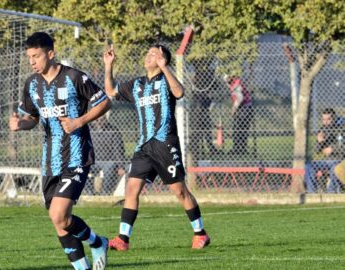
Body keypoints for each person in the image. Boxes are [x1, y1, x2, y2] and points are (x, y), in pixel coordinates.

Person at [9, 32, 110, 270]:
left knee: (58, 214)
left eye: (36, 56)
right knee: (59, 222)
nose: (32, 62)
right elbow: (33, 118)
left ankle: (98, 243)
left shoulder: (74, 77)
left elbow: (105, 101)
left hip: (76, 156)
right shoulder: (32, 84)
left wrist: (79, 121)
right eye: (29, 57)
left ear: (50, 54)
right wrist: (21, 124)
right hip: (49, 162)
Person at [103, 44, 210, 250]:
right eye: (149, 53)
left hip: (165, 144)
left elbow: (179, 92)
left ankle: (200, 233)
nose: (149, 56)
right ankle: (123, 239)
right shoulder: (137, 85)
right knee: (131, 189)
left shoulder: (165, 80)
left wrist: (165, 68)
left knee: (179, 191)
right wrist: (109, 66)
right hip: (143, 146)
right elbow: (110, 91)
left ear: (164, 60)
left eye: (155, 54)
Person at [304, 108, 343, 193]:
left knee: (335, 168)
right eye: (323, 119)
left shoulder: (341, 129)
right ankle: (312, 193)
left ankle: (331, 192)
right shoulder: (322, 130)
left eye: (328, 119)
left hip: (339, 160)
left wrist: (333, 149)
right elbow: (316, 151)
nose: (325, 122)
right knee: (308, 166)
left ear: (334, 118)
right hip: (325, 161)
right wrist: (319, 141)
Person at [89, 112, 126, 195]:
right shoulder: (88, 130)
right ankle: (89, 193)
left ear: (105, 119)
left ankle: (105, 192)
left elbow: (118, 150)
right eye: (96, 119)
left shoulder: (113, 130)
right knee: (82, 168)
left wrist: (120, 166)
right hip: (92, 160)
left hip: (108, 160)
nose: (98, 121)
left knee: (110, 167)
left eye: (101, 119)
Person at [223, 74, 253, 155]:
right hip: (244, 107)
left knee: (239, 128)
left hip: (244, 108)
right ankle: (240, 149)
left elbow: (240, 98)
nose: (226, 83)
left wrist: (234, 109)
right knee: (240, 129)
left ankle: (239, 149)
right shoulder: (232, 84)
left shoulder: (236, 83)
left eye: (226, 80)